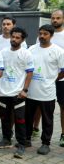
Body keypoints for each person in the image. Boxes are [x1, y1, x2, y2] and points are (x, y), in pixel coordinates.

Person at [0, 27, 34, 159]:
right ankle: (6, 139)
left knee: (20, 120)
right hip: (3, 92)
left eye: (17, 38)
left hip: (18, 93)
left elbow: (30, 72)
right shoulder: (3, 52)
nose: (14, 39)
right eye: (13, 37)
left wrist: (25, 90)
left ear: (22, 40)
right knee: (5, 118)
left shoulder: (26, 53)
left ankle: (21, 144)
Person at [26, 24, 64, 155]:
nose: (42, 36)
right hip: (31, 91)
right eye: (40, 33)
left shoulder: (58, 51)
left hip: (47, 93)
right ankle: (26, 139)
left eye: (45, 34)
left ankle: (45, 143)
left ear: (51, 35)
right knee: (28, 117)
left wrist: (52, 79)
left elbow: (63, 71)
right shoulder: (31, 49)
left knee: (47, 120)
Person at [0, 16, 27, 136]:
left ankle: (10, 129)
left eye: (8, 24)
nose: (5, 26)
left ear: (13, 25)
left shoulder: (21, 43)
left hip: (13, 80)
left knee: (13, 106)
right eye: (4, 24)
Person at [50, 10, 64, 147]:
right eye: (53, 18)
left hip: (62, 78)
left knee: (63, 107)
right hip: (45, 78)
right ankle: (36, 128)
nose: (55, 20)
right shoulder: (45, 34)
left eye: (58, 18)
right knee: (39, 105)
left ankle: (63, 134)